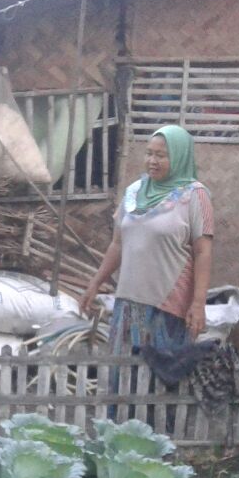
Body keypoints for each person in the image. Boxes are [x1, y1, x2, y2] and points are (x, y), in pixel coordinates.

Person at [80, 125, 214, 357]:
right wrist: (95, 283)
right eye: (149, 153)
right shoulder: (133, 192)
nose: (152, 160)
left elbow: (203, 252)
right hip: (129, 302)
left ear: (180, 156)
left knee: (160, 376)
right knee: (122, 374)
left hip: (168, 305)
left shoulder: (195, 195)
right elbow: (118, 244)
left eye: (161, 155)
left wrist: (198, 303)